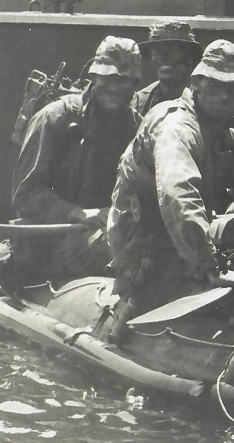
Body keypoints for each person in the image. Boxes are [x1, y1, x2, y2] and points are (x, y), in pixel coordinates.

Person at [104, 40, 234, 322]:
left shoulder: (225, 131)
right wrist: (210, 267)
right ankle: (126, 311)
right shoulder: (177, 126)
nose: (225, 97)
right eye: (216, 86)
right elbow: (178, 195)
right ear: (197, 83)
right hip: (142, 244)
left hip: (181, 239)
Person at [7, 36, 142, 282]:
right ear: (94, 77)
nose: (115, 88)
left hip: (106, 230)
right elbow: (25, 195)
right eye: (109, 78)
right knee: (119, 249)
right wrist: (77, 213)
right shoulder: (54, 119)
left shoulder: (134, 126)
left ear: (135, 85)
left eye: (124, 81)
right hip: (52, 239)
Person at [131, 20, 202, 120]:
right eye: (157, 51)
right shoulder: (140, 102)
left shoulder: (204, 101)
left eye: (173, 50)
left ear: (190, 57)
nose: (163, 57)